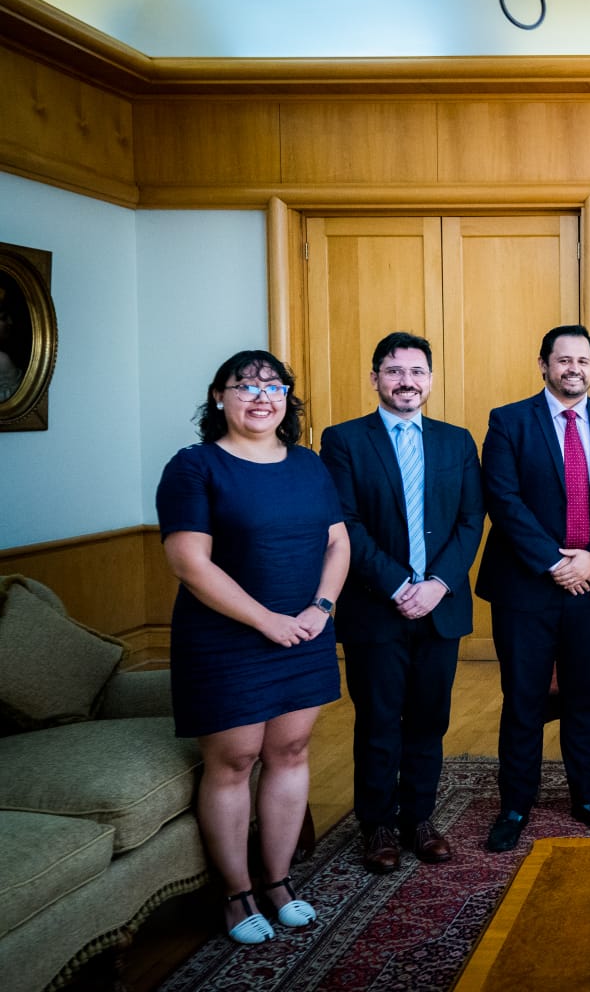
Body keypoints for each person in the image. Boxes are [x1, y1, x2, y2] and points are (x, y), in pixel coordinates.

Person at [156, 350, 349, 943]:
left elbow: (337, 544)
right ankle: (238, 895)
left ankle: (279, 881)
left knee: (290, 752)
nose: (260, 396)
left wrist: (320, 609)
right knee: (234, 760)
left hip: (306, 632)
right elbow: (189, 562)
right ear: (219, 397)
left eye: (273, 385)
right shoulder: (194, 467)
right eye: (245, 386)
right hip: (226, 638)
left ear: (287, 398)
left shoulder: (310, 464)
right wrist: (266, 620)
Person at [476, 324, 590, 852]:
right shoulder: (509, 422)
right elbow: (503, 501)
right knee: (523, 699)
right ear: (543, 364)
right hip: (527, 589)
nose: (573, 368)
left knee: (581, 700)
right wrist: (555, 562)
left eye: (582, 360)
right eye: (563, 360)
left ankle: (587, 797)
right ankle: (515, 804)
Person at [320, 332, 484, 873]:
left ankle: (419, 818)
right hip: (375, 607)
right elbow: (346, 523)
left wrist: (437, 583)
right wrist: (397, 584)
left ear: (430, 380)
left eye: (416, 372)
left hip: (441, 606)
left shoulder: (457, 441)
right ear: (375, 378)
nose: (406, 381)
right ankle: (378, 825)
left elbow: (468, 521)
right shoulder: (344, 440)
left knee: (429, 720)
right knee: (378, 720)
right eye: (394, 371)